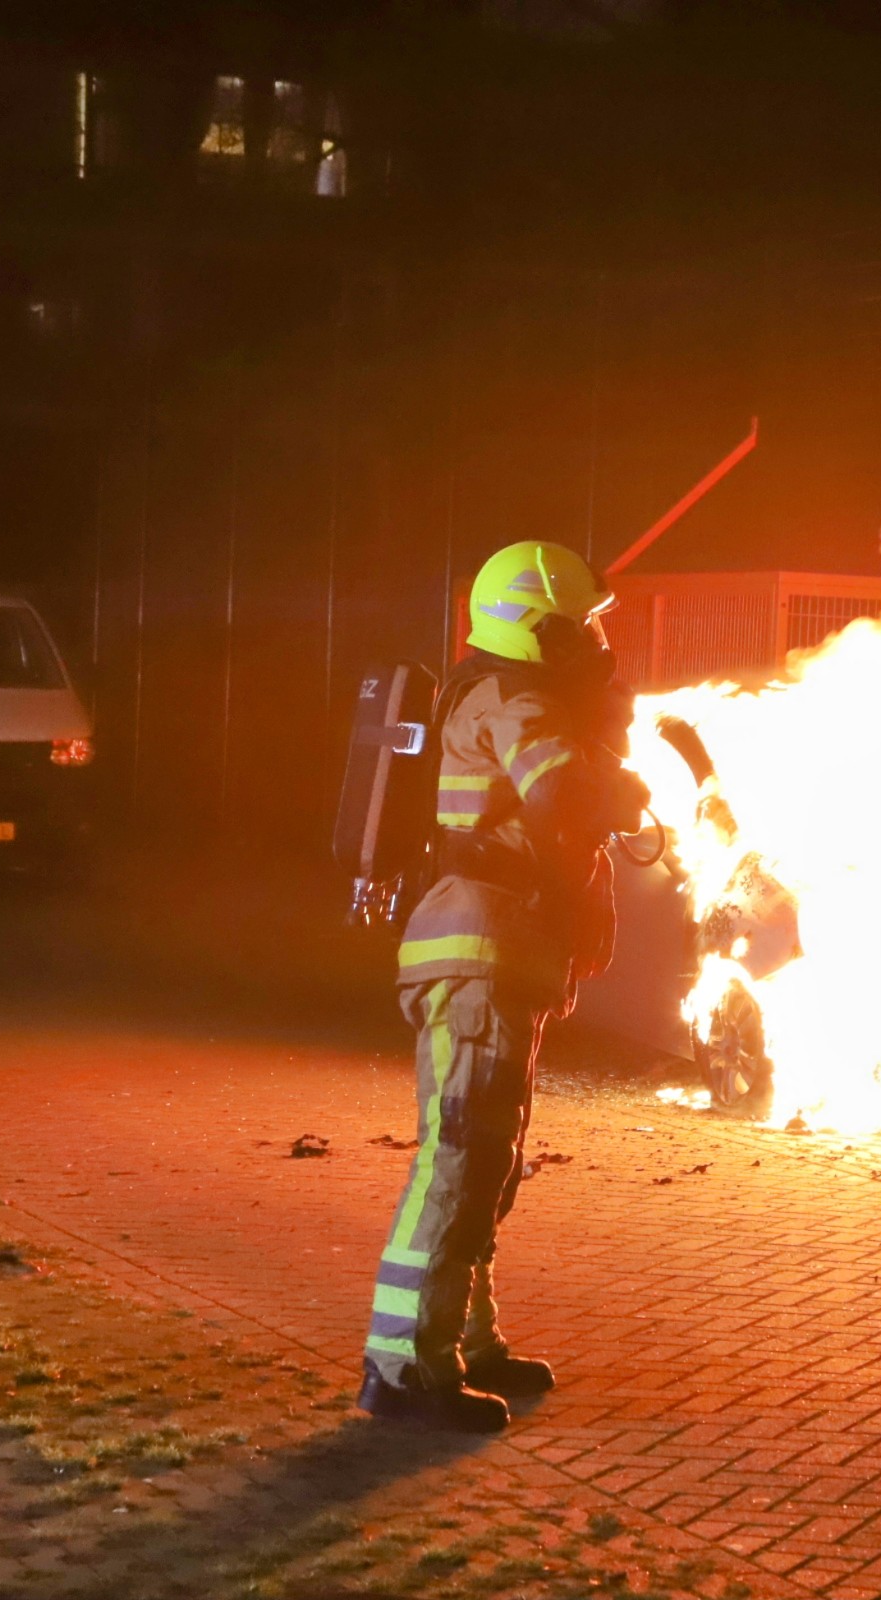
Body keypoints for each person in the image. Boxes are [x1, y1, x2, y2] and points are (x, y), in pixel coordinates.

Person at [359, 540, 647, 1433]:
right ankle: (403, 1367)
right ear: (538, 628)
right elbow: (563, 793)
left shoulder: (523, 698)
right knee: (457, 1158)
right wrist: (625, 773)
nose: (595, 642)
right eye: (581, 626)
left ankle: (467, 1342)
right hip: (477, 950)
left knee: (488, 1163)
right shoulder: (507, 697)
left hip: (505, 955)